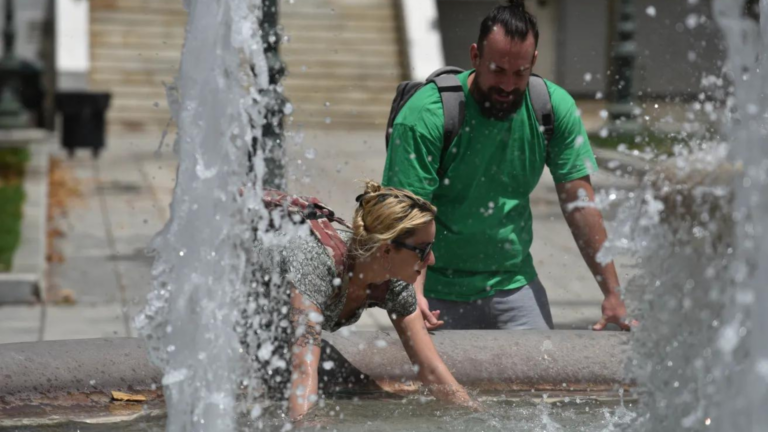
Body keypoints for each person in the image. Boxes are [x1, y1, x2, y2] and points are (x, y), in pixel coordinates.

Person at [382, 0, 630, 332]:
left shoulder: (551, 108)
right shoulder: (426, 115)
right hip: (436, 290)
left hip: (514, 283)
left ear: (533, 62)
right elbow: (407, 215)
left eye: (519, 73)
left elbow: (581, 205)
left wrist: (612, 293)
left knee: (545, 366)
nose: (508, 85)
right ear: (475, 56)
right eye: (497, 70)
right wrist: (413, 294)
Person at [280, 181, 474, 421]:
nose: (431, 260)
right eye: (423, 250)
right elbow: (302, 371)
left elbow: (432, 371)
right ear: (386, 250)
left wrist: (476, 418)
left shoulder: (395, 282)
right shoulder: (316, 263)